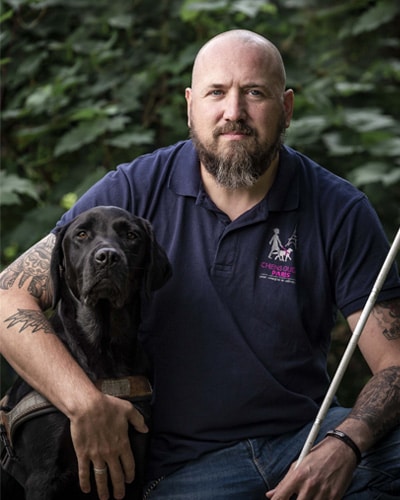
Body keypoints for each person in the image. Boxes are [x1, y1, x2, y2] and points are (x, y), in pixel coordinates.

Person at [1, 29, 399, 500]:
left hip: (302, 440)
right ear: (190, 105)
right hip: (180, 466)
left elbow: (394, 362)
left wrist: (343, 445)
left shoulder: (338, 208)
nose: (234, 112)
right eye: (216, 92)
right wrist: (85, 404)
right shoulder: (134, 189)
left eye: (254, 92)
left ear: (286, 108)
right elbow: (8, 295)